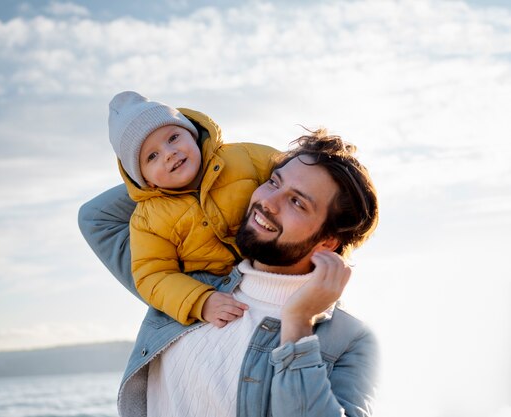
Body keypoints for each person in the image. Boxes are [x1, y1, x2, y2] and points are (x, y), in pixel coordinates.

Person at [78, 128, 380, 417]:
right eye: (274, 182)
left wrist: (298, 324)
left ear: (328, 242)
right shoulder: (183, 284)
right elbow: (96, 218)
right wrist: (198, 168)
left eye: (297, 202)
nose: (268, 202)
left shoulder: (349, 340)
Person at [107, 91, 278, 326]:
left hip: (276, 261)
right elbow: (154, 275)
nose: (169, 153)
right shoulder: (148, 219)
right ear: (145, 179)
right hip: (219, 290)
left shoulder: (245, 157)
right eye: (152, 156)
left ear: (191, 133)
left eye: (173, 137)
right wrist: (200, 301)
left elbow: (297, 175)